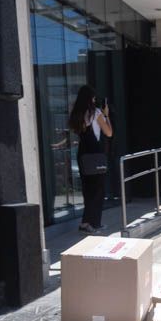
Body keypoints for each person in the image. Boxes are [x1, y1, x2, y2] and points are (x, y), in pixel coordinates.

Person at [68, 85, 113, 234]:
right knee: (98, 190)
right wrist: (106, 115)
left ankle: (86, 223)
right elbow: (109, 133)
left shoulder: (77, 114)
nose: (95, 100)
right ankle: (93, 223)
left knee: (88, 190)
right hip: (95, 154)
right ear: (90, 99)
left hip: (82, 154)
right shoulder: (96, 113)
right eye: (94, 98)